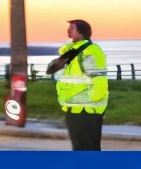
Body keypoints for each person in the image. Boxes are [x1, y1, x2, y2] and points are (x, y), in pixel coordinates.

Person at [45, 19, 107, 151]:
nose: (68, 30)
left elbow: (98, 80)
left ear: (81, 32)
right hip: (73, 107)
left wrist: (91, 103)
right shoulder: (72, 52)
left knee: (88, 146)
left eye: (72, 28)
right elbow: (52, 70)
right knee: (79, 146)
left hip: (87, 109)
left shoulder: (91, 51)